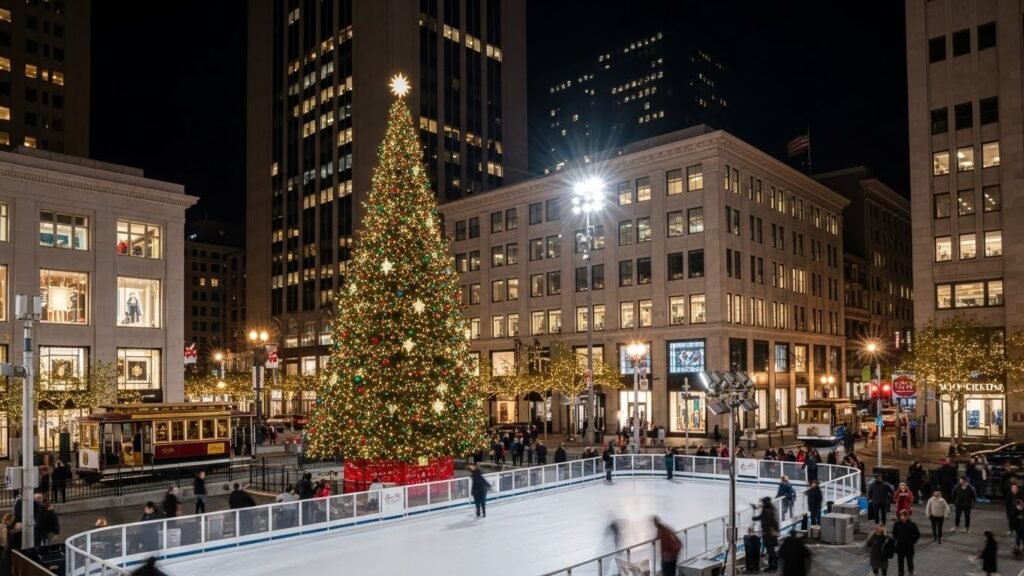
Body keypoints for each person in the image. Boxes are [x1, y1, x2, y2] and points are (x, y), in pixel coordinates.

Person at [753, 497, 780, 571]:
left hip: (768, 533)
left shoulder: (766, 511)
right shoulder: (771, 508)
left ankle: (773, 566)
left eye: (762, 502)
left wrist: (754, 518)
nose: (762, 504)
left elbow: (762, 518)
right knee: (771, 550)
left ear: (765, 503)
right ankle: (772, 565)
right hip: (772, 532)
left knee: (770, 550)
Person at [891, 509, 919, 576]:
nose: (903, 517)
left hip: (909, 546)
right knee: (900, 561)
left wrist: (913, 541)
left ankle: (910, 571)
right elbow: (894, 533)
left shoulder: (912, 524)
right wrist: (896, 539)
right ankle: (901, 573)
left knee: (910, 560)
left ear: (908, 516)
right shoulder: (897, 524)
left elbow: (917, 534)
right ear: (900, 516)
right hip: (900, 546)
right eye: (902, 516)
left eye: (905, 516)